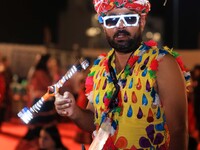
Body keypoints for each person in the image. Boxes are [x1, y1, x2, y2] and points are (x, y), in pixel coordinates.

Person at [54, 0, 191, 149]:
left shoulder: (162, 63)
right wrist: (74, 111)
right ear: (104, 26)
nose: (120, 26)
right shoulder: (100, 68)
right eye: (112, 20)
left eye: (130, 18)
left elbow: (178, 131)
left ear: (142, 21)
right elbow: (94, 121)